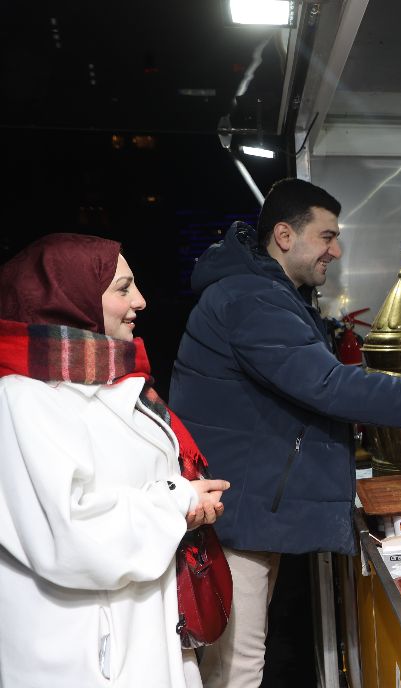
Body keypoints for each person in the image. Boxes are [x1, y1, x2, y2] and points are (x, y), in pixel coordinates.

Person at [169, 178, 401, 688]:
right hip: (237, 515)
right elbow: (328, 385)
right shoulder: (251, 298)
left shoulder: (265, 292)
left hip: (248, 509)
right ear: (284, 236)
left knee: (241, 662)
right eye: (327, 236)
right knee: (237, 670)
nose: (336, 251)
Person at [0, 233, 230, 688]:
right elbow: (67, 535)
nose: (140, 301)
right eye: (123, 288)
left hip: (142, 633)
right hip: (85, 655)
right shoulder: (22, 399)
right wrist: (175, 501)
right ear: (70, 298)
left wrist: (187, 504)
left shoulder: (115, 383)